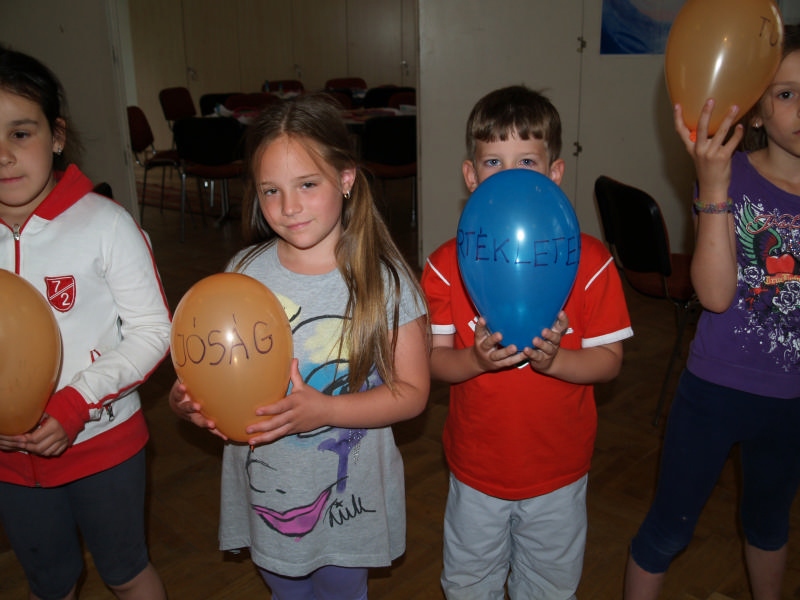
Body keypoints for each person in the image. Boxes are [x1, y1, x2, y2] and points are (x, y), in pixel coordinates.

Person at [169, 93, 430, 600]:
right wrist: (189, 403)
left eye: (307, 184)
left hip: (348, 502)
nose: (288, 207)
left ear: (346, 179)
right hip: (267, 495)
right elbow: (213, 369)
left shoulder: (386, 281)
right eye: (271, 190)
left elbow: (413, 392)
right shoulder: (242, 273)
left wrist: (325, 410)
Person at [421, 84, 633, 599]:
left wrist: (556, 362)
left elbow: (609, 361)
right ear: (471, 175)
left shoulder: (591, 261)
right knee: (469, 584)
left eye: (527, 162)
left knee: (549, 587)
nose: (510, 176)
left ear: (555, 173)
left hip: (559, 470)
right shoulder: (446, 265)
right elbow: (431, 361)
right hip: (476, 468)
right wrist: (474, 360)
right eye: (494, 162)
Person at [624, 24, 800, 600]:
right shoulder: (731, 174)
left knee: (770, 527)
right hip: (715, 393)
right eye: (787, 93)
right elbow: (717, 295)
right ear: (757, 109)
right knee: (667, 531)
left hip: (791, 403)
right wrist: (714, 184)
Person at [0, 46, 170, 599]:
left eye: (19, 133)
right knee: (49, 583)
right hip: (8, 459)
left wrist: (77, 403)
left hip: (104, 443)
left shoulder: (106, 225)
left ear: (56, 136)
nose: (3, 156)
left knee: (127, 573)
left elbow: (153, 331)